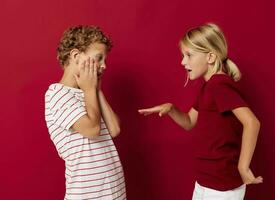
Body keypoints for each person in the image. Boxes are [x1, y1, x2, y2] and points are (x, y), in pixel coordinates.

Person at [138, 23, 262, 200]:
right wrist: (171, 109)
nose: (183, 61)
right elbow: (189, 122)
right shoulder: (208, 87)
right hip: (206, 181)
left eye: (189, 55)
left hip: (222, 186)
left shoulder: (219, 85)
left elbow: (252, 122)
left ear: (210, 57)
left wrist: (243, 167)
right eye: (183, 55)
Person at [45, 25, 126, 200]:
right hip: (87, 195)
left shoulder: (89, 93)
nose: (104, 66)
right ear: (75, 56)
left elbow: (115, 129)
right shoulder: (57, 93)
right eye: (98, 58)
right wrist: (89, 90)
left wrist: (96, 90)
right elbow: (92, 129)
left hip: (114, 190)